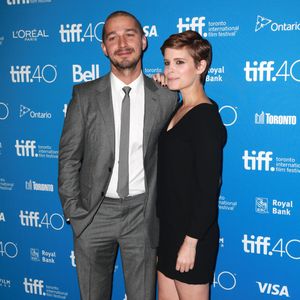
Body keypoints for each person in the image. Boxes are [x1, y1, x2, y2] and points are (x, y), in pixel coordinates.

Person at [58, 11, 178, 300]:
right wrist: (75, 212)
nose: (121, 43)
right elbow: (69, 157)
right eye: (112, 37)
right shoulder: (84, 96)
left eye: (129, 34)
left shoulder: (165, 96)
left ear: (144, 41)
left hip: (142, 214)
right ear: (103, 48)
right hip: (93, 214)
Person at [155, 30, 226, 300]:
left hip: (192, 236)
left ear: (201, 66)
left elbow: (209, 189)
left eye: (179, 62)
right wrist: (159, 91)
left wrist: (191, 242)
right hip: (169, 230)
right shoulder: (177, 107)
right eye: (167, 62)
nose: (170, 70)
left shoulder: (205, 118)